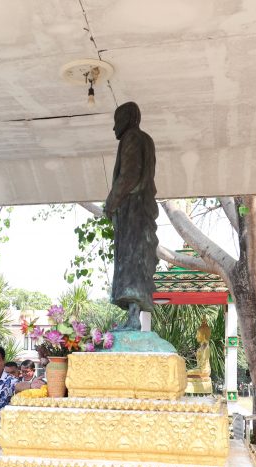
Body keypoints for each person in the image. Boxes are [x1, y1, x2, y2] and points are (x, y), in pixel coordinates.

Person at [104, 101, 159, 331]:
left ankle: (134, 316)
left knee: (131, 263)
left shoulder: (132, 138)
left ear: (127, 118)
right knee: (135, 261)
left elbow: (129, 175)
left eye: (117, 120)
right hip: (139, 210)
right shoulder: (146, 139)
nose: (114, 127)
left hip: (133, 210)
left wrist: (110, 203)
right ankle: (133, 315)